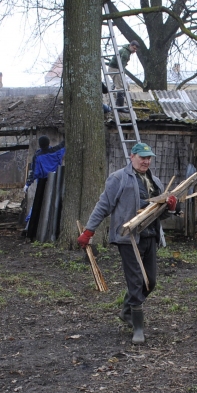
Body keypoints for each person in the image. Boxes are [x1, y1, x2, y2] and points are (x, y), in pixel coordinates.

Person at [78, 142, 177, 344]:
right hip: (128, 238)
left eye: (149, 158)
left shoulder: (155, 181)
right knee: (136, 281)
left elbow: (160, 214)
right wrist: (89, 231)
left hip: (150, 236)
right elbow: (104, 205)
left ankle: (126, 310)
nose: (146, 161)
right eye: (142, 157)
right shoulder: (119, 178)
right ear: (132, 157)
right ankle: (138, 328)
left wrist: (172, 207)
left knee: (151, 282)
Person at [24, 136, 65, 238]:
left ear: (40, 144)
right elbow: (64, 145)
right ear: (48, 143)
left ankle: (29, 226)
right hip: (57, 181)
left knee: (38, 203)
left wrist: (27, 184)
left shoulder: (38, 156)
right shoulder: (56, 151)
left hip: (43, 183)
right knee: (57, 204)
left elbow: (35, 172)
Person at [107, 39, 139, 108]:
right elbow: (121, 65)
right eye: (134, 48)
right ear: (130, 46)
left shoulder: (127, 51)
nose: (134, 51)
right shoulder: (125, 53)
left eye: (136, 50)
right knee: (121, 87)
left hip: (117, 69)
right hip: (114, 69)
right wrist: (121, 75)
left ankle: (118, 103)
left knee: (126, 86)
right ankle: (119, 106)